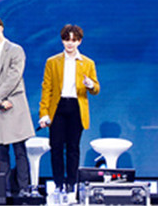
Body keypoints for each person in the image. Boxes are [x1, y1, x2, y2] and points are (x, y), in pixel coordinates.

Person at [38, 24, 100, 193]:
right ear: (62, 41)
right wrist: (44, 113)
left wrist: (90, 84)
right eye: (67, 39)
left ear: (79, 41)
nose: (70, 43)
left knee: (73, 148)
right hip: (58, 107)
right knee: (56, 147)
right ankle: (58, 184)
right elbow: (47, 89)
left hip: (76, 107)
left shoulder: (88, 63)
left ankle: (72, 184)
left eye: (74, 40)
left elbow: (96, 89)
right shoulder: (52, 62)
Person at [0, 17, 35, 196]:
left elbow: (14, 76)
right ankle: (3, 191)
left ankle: (23, 189)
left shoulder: (15, 50)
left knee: (19, 151)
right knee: (1, 153)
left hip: (14, 105)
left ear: (1, 28)